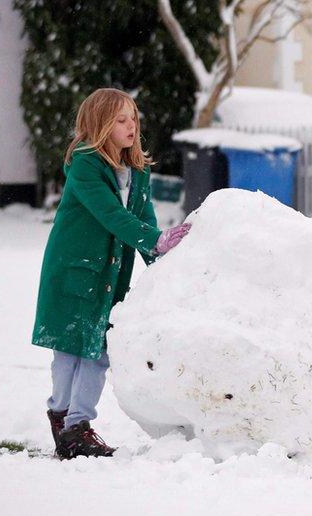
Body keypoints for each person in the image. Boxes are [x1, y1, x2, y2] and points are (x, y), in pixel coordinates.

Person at [32, 88, 192, 459]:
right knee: (71, 349)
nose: (131, 125)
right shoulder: (86, 165)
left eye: (133, 117)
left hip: (110, 276)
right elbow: (111, 215)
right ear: (100, 125)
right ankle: (63, 419)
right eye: (120, 119)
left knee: (100, 350)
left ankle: (77, 425)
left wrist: (164, 264)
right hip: (75, 271)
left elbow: (143, 219)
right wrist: (156, 239)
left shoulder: (137, 170)